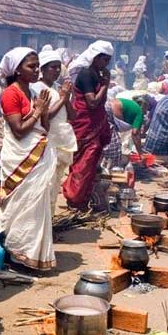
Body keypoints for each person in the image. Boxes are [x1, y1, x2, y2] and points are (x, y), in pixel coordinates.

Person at [0, 47, 55, 271]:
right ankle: (15, 253)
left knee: (35, 207)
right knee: (20, 208)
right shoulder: (11, 93)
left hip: (36, 156)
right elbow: (19, 130)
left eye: (37, 65)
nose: (36, 70)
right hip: (20, 159)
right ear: (17, 70)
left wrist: (44, 111)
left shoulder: (31, 93)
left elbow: (45, 128)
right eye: (31, 66)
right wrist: (38, 112)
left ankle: (30, 254)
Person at [62, 40, 113, 210]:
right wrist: (106, 85)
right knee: (82, 165)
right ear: (95, 57)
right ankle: (74, 198)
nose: (106, 64)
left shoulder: (96, 75)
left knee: (89, 166)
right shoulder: (86, 74)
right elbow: (92, 103)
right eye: (104, 60)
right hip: (85, 125)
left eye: (108, 60)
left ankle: (81, 198)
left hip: (94, 125)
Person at [30, 49, 77, 216]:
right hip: (46, 142)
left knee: (54, 183)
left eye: (59, 67)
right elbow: (45, 116)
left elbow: (73, 115)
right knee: (45, 184)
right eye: (52, 67)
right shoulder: (36, 88)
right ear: (43, 69)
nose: (56, 71)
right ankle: (41, 224)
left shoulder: (58, 89)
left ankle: (48, 224)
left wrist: (66, 98)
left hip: (60, 142)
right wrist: (63, 98)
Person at [106, 96, 146, 162]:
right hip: (109, 111)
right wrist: (140, 154)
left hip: (105, 106)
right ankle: (113, 167)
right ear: (144, 107)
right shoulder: (139, 112)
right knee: (114, 147)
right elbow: (135, 133)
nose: (145, 113)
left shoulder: (132, 105)